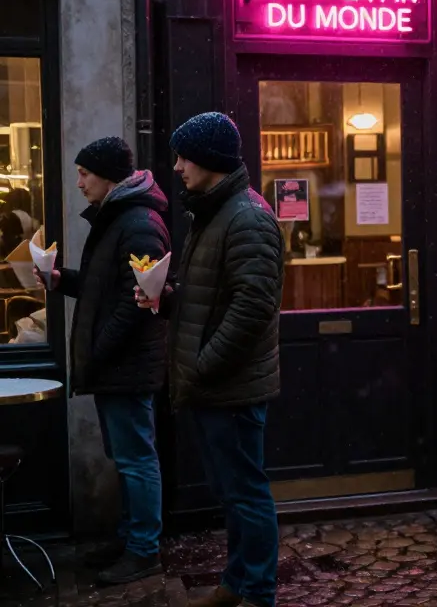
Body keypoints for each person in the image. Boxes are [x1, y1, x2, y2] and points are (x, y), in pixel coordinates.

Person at [137, 112, 284, 607]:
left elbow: (252, 308)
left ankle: (259, 592)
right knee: (234, 496)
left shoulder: (247, 216)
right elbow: (215, 297)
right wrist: (166, 298)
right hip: (214, 384)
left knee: (246, 494)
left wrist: (203, 364)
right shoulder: (214, 211)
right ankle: (237, 583)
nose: (177, 166)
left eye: (184, 157)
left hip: (230, 387)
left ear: (211, 160)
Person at [48, 137, 169, 585]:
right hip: (118, 364)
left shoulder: (137, 223)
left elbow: (137, 302)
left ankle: (143, 550)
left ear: (108, 176)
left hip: (127, 366)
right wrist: (61, 279)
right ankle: (129, 538)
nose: (78, 182)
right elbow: (106, 288)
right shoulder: (119, 218)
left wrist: (98, 350)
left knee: (136, 458)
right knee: (126, 457)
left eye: (84, 173)